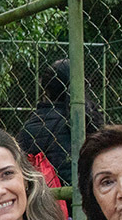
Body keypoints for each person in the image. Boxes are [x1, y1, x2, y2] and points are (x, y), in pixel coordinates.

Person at [16, 58, 103, 188]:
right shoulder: (91, 119)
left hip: (46, 202)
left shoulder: (30, 127)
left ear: (45, 89)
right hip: (88, 196)